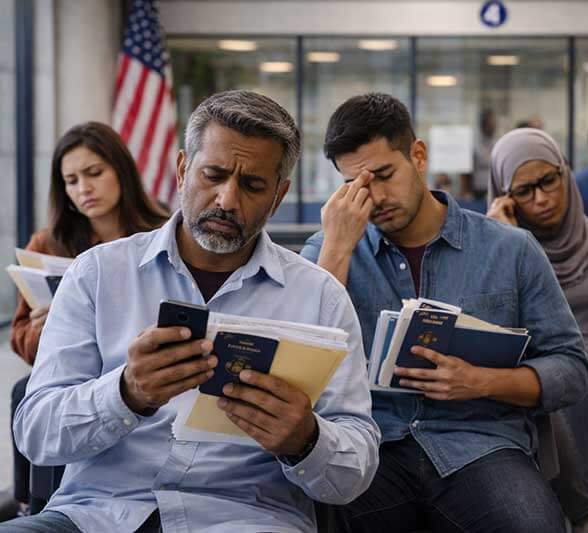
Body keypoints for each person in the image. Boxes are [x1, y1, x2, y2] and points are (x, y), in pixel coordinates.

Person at [5, 90, 379, 533]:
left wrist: (306, 439)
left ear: (279, 195)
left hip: (244, 520)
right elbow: (36, 434)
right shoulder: (97, 274)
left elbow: (355, 470)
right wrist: (125, 393)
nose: (227, 199)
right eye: (213, 175)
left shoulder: (319, 296)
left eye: (252, 186)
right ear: (183, 169)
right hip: (96, 516)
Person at [301, 93, 588, 533]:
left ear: (418, 156)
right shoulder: (328, 252)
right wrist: (337, 253)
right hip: (371, 444)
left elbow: (570, 369)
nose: (375, 197)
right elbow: (300, 373)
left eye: (384, 175)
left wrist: (483, 381)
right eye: (355, 186)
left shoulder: (510, 249)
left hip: (480, 445)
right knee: (316, 517)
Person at [8, 121, 170, 512]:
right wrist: (49, 329)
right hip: (77, 368)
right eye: (71, 181)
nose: (84, 188)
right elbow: (20, 336)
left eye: (94, 173)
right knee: (26, 392)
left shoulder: (164, 234)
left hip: (135, 366)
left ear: (121, 171)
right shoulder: (49, 243)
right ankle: (32, 502)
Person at [487, 128, 588, 533]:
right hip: (526, 379)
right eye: (524, 190)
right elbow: (495, 333)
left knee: (564, 376)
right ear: (504, 196)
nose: (542, 198)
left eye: (549, 180)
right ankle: (581, 511)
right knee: (551, 378)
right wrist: (505, 242)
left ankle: (583, 513)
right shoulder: (498, 250)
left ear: (565, 174)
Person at [460, 108, 496, 200]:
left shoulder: (496, 143)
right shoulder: (475, 145)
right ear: (483, 125)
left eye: (494, 123)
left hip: (493, 190)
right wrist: (466, 191)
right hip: (477, 191)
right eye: (490, 123)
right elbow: (466, 170)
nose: (493, 126)